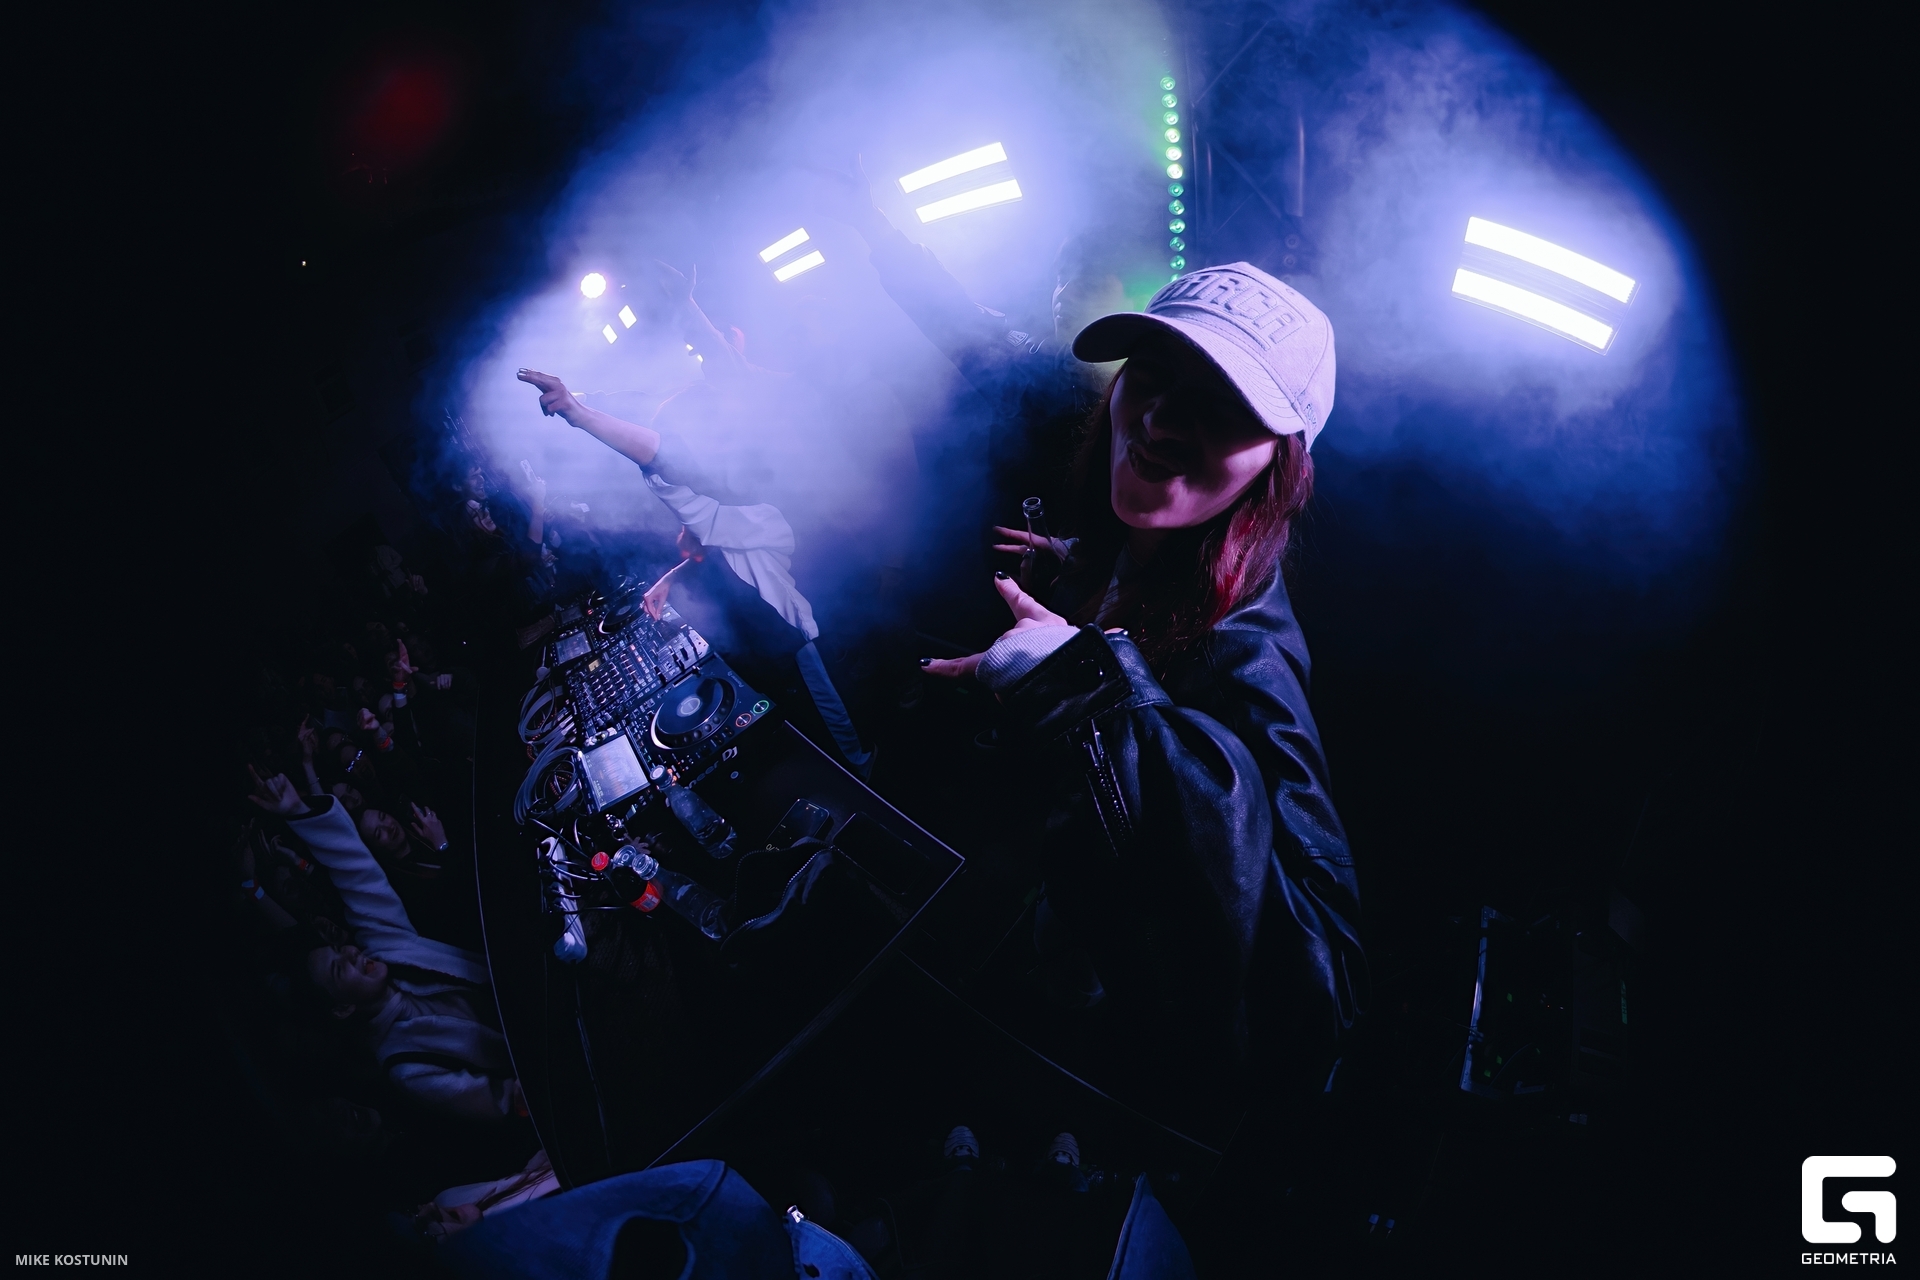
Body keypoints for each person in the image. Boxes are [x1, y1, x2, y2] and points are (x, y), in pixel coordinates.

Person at [923, 262, 1364, 1097]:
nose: (1160, 418)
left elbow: (1320, 1008)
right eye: (1153, 374)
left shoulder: (1251, 661)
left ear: (1279, 464)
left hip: (1089, 1049)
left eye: (1222, 403)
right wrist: (1077, 565)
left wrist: (1081, 687)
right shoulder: (1148, 547)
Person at [514, 268, 874, 776]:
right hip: (791, 621)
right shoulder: (742, 485)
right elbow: (711, 529)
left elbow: (668, 458)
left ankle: (867, 772)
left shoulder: (767, 493)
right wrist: (674, 575)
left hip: (814, 623)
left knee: (839, 719)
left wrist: (580, 413)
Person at [247, 768, 526, 1122]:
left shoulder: (383, 947)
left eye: (340, 951)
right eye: (339, 969)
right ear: (342, 1008)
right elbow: (505, 1102)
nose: (352, 953)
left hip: (533, 985)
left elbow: (356, 872)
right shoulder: (404, 1064)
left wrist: (298, 811)